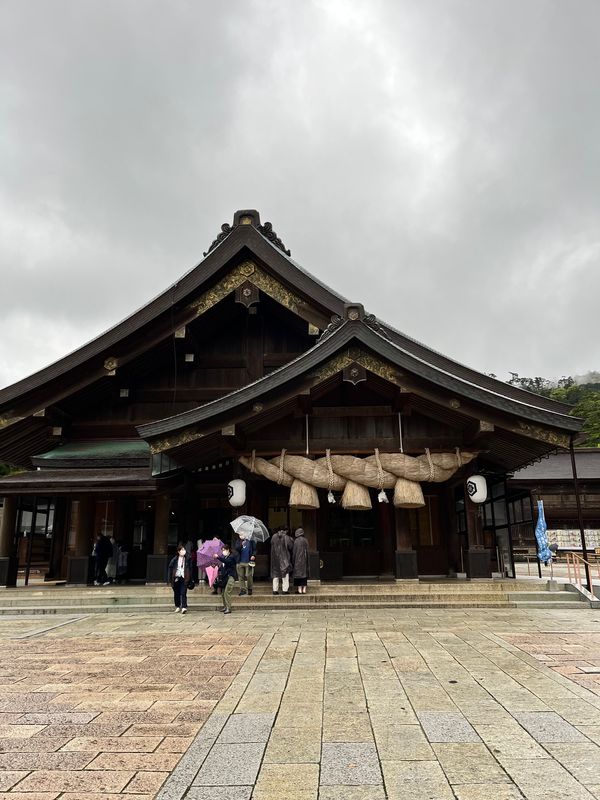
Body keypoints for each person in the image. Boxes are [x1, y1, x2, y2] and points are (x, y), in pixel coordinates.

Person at [168, 544, 192, 614]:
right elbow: (170, 568)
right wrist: (170, 578)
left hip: (184, 577)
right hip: (176, 577)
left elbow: (190, 568)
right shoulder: (175, 559)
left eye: (184, 550)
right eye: (182, 550)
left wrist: (190, 577)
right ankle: (177, 606)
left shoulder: (188, 559)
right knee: (176, 593)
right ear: (178, 551)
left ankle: (184, 607)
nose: (183, 551)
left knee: (183, 592)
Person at [270, 526, 293, 595]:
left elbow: (271, 544)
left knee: (275, 574)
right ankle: (285, 590)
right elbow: (291, 546)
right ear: (285, 531)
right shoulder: (286, 537)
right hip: (284, 558)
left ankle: (275, 590)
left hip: (275, 559)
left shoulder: (274, 537)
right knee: (285, 574)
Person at [216, 544, 237, 614]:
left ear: (228, 550)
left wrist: (218, 557)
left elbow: (227, 562)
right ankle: (225, 607)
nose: (223, 552)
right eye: (222, 550)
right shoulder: (224, 558)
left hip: (231, 577)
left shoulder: (231, 557)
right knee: (223, 593)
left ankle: (228, 608)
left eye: (224, 550)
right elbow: (222, 567)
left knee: (227, 592)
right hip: (225, 578)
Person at [292, 528, 309, 594]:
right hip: (304, 560)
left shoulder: (296, 541)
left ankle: (299, 589)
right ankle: (304, 589)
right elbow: (307, 550)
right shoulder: (305, 540)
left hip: (297, 560)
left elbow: (294, 552)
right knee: (304, 575)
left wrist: (293, 560)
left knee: (298, 575)